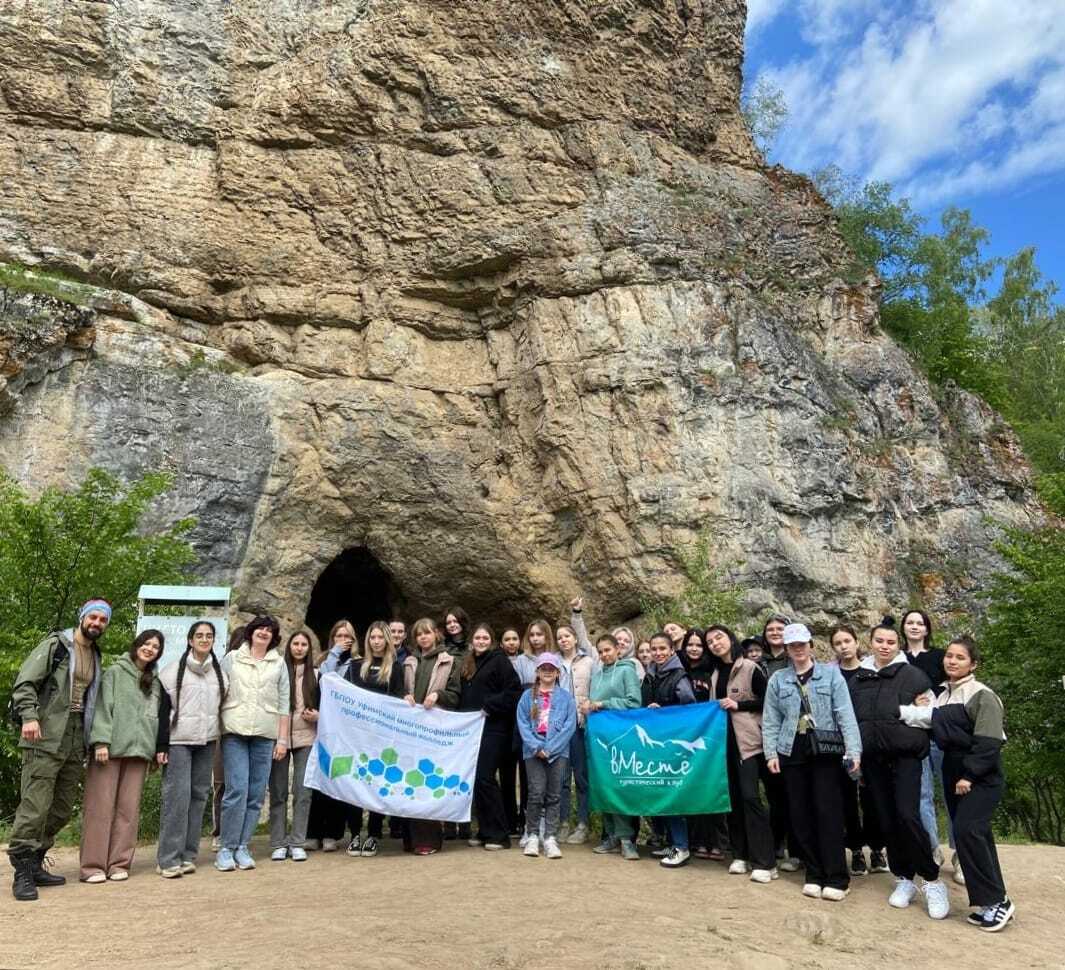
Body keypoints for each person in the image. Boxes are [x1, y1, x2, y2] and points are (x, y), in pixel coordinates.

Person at [900, 636, 1013, 931]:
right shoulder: (944, 694)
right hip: (953, 770)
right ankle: (993, 901)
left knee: (968, 830)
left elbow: (990, 743)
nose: (952, 661)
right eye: (949, 656)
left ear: (973, 664)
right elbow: (929, 722)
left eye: (960, 658)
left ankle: (998, 902)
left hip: (979, 774)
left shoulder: (982, 695)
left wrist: (969, 775)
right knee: (974, 835)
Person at [8, 598, 109, 901]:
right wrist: (29, 716)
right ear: (82, 617)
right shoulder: (57, 646)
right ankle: (22, 873)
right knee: (35, 806)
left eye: (103, 620)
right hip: (44, 735)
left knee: (62, 807)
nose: (97, 624)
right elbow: (25, 682)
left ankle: (37, 861)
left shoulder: (95, 654)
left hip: (75, 736)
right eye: (93, 617)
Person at [849, 617, 950, 919]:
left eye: (891, 642)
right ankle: (903, 877)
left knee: (908, 815)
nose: (885, 646)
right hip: (873, 759)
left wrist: (901, 713)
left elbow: (932, 715)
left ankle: (931, 880)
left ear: (898, 645)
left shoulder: (915, 676)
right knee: (887, 818)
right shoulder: (858, 679)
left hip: (906, 756)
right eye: (880, 641)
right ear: (871, 643)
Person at [763, 623, 862, 902]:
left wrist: (854, 751)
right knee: (800, 813)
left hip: (826, 750)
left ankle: (837, 877)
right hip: (791, 749)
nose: (798, 649)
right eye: (792, 645)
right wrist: (771, 754)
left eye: (802, 644)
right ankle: (814, 873)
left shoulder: (831, 676)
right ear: (786, 648)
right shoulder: (778, 680)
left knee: (828, 812)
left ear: (810, 645)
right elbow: (771, 720)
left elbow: (845, 714)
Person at [80, 629, 164, 883]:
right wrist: (101, 741)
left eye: (155, 647)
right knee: (100, 808)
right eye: (146, 644)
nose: (150, 649)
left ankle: (118, 863)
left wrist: (152, 751)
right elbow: (103, 707)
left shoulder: (155, 681)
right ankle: (92, 867)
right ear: (137, 645)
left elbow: (154, 718)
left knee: (128, 811)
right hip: (110, 750)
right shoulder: (116, 672)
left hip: (139, 753)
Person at [217, 616, 291, 872]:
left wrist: (282, 740)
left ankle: (242, 846)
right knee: (236, 789)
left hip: (265, 733)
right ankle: (226, 847)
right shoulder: (232, 659)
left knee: (256, 793)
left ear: (274, 637)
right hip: (235, 731)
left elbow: (284, 704)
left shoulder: (279, 663)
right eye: (260, 628)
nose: (264, 632)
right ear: (250, 632)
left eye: (269, 630)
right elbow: (219, 692)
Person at [156, 620, 228, 878]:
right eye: (199, 635)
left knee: (198, 797)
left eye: (209, 636)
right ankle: (167, 859)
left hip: (207, 741)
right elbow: (163, 711)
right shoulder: (172, 671)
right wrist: (161, 744)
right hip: (178, 742)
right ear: (189, 640)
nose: (204, 639)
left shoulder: (219, 673)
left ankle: (188, 855)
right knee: (177, 798)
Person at [706, 625, 777, 884]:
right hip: (725, 745)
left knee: (750, 798)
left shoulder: (749, 667)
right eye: (710, 641)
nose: (715, 643)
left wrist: (740, 705)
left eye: (719, 638)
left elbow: (770, 700)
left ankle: (765, 862)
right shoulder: (715, 673)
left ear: (730, 638)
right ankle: (740, 855)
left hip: (749, 743)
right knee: (733, 800)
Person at [902, 608, 959, 881]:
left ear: (926, 629)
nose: (914, 627)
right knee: (922, 795)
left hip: (941, 732)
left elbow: (951, 686)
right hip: (913, 735)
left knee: (952, 793)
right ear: (903, 628)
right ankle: (932, 847)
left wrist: (929, 697)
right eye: (910, 622)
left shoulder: (938, 657)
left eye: (919, 623)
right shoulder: (898, 658)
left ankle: (961, 853)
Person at [340, 620, 405, 855]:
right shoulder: (355, 666)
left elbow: (399, 699)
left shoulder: (395, 668)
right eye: (372, 638)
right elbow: (343, 696)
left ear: (387, 640)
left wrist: (406, 700)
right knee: (356, 784)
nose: (376, 642)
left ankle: (374, 833)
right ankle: (355, 833)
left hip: (383, 738)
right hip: (358, 737)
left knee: (379, 784)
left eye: (380, 637)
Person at [830, 624, 887, 876]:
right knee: (846, 801)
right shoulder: (830, 675)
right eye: (838, 643)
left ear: (856, 642)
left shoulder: (871, 672)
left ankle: (877, 848)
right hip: (839, 745)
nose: (843, 646)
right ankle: (854, 850)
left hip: (870, 745)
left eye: (847, 641)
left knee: (872, 798)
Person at [459, 623, 522, 850]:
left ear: (492, 640)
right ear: (472, 641)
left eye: (485, 637)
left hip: (495, 728)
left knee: (485, 777)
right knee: (477, 780)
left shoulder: (499, 660)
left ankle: (500, 835)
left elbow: (514, 692)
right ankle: (485, 830)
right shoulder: (468, 662)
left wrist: (490, 705)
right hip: (473, 730)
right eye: (478, 637)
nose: (481, 641)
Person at [402, 617, 461, 855]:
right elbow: (400, 690)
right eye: (419, 634)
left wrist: (438, 695)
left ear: (436, 634)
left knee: (427, 781)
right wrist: (404, 696)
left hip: (435, 729)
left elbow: (455, 695)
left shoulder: (449, 661)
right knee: (409, 782)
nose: (423, 638)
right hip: (410, 729)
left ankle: (429, 840)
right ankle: (409, 838)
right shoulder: (409, 661)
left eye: (427, 633)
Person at [583, 633, 642, 860]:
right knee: (603, 787)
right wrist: (588, 706)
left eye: (608, 650)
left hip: (621, 737)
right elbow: (593, 704)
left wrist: (602, 704)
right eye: (601, 651)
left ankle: (627, 839)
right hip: (599, 739)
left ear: (618, 649)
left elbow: (634, 702)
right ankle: (610, 837)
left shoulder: (627, 670)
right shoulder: (597, 676)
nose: (604, 654)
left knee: (619, 787)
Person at [643, 631, 696, 869]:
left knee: (673, 795)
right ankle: (672, 842)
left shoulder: (678, 675)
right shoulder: (650, 674)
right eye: (654, 649)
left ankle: (682, 847)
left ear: (672, 650)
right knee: (660, 791)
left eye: (662, 649)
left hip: (674, 743)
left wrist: (662, 709)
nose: (658, 653)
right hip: (657, 743)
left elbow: (689, 707)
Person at [307, 620, 361, 851]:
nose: (343, 639)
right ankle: (313, 833)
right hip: (323, 728)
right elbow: (325, 680)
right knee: (318, 781)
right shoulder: (323, 661)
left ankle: (333, 833)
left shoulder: (358, 664)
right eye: (338, 635)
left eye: (347, 636)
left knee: (339, 779)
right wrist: (335, 652)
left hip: (346, 730)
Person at [517, 653, 576, 859]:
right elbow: (523, 723)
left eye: (552, 668)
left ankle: (550, 837)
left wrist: (551, 748)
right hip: (533, 751)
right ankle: (532, 834)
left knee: (554, 794)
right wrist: (536, 746)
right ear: (537, 672)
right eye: (544, 668)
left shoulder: (566, 698)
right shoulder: (527, 697)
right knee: (536, 792)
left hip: (558, 751)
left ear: (558, 672)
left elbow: (570, 725)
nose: (548, 671)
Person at [268, 630, 319, 862]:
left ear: (309, 649)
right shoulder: (278, 670)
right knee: (278, 791)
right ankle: (278, 842)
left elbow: (325, 706)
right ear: (289, 647)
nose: (299, 648)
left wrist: (316, 714)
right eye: (295, 644)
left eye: (304, 645)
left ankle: (297, 841)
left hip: (306, 737)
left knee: (302, 791)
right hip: (279, 737)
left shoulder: (316, 675)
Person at [680, 628, 722, 861]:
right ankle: (695, 841)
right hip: (685, 737)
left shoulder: (712, 671)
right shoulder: (679, 670)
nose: (694, 649)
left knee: (710, 787)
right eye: (690, 645)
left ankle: (715, 842)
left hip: (709, 735)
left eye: (699, 645)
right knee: (690, 788)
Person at [556, 599, 595, 845]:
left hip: (581, 725)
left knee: (581, 777)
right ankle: (562, 823)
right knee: (561, 780)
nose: (563, 640)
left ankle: (583, 824)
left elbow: (583, 634)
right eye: (559, 637)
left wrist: (576, 614)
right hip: (560, 727)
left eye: (567, 636)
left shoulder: (588, 659)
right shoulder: (553, 662)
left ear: (574, 639)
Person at [760, 614, 796, 869]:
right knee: (774, 795)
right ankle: (776, 844)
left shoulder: (796, 659)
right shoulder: (757, 661)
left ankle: (797, 849)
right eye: (770, 629)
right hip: (766, 732)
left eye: (779, 628)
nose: (774, 632)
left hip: (794, 735)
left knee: (794, 794)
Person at [210, 623, 246, 851]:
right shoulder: (223, 667)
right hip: (223, 732)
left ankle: (237, 831)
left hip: (246, 733)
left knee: (241, 785)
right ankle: (219, 832)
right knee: (222, 784)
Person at [499, 626, 524, 835]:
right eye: (507, 639)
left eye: (515, 638)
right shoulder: (496, 663)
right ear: (501, 643)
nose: (511, 642)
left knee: (525, 775)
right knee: (507, 775)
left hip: (525, 723)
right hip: (504, 724)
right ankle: (509, 819)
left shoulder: (525, 662)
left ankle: (525, 819)